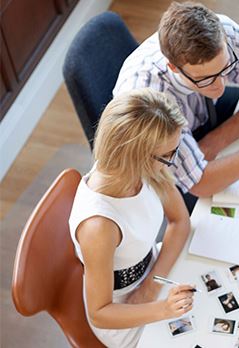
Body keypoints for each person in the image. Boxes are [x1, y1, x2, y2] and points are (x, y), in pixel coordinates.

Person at [113, 2, 239, 212]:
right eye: (205, 79)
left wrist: (215, 141)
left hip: (204, 122)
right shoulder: (149, 97)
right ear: (173, 67)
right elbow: (201, 183)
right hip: (162, 156)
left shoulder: (224, 33)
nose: (220, 86)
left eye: (224, 68)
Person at [69, 88, 195, 347]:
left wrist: (151, 287)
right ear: (135, 156)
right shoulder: (99, 226)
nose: (173, 160)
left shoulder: (146, 169)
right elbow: (100, 313)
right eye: (168, 154)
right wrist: (162, 308)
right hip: (125, 316)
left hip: (154, 279)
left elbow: (180, 222)